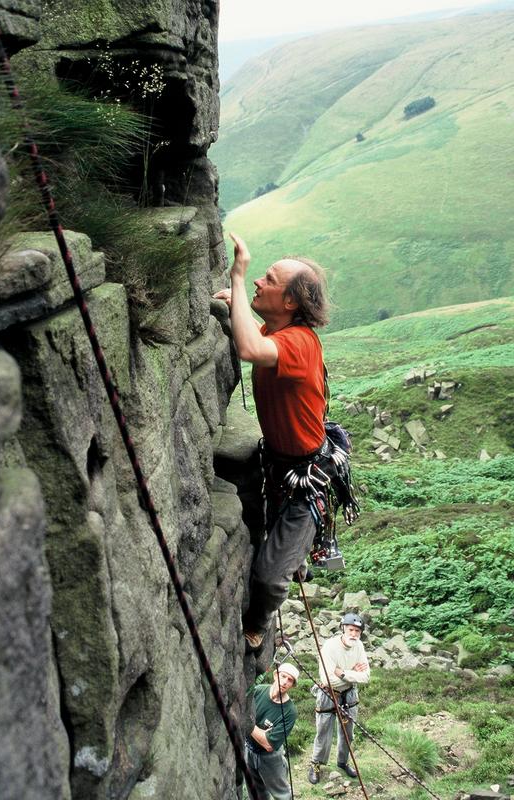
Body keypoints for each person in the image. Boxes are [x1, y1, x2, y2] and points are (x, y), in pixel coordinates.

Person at [214, 233, 337, 650]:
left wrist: (237, 275)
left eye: (268, 279)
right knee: (270, 540)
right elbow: (259, 334)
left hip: (305, 478)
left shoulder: (299, 344)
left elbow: (251, 349)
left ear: (289, 302)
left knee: (268, 578)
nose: (257, 282)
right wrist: (235, 304)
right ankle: (293, 556)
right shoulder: (281, 329)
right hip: (281, 462)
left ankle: (260, 621)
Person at [308, 613, 370, 784]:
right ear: (343, 628)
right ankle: (316, 764)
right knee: (323, 731)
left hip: (349, 694)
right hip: (328, 693)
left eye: (357, 631)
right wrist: (353, 673)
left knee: (348, 732)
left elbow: (366, 676)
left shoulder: (359, 646)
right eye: (351, 630)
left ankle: (343, 762)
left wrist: (342, 673)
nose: (354, 634)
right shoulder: (330, 647)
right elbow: (327, 679)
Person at [245, 663, 299, 800]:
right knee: (256, 794)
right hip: (248, 751)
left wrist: (248, 722)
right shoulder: (258, 691)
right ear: (276, 675)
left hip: (270, 758)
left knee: (282, 795)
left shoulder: (290, 712)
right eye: (283, 676)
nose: (285, 682)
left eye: (290, 680)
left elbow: (269, 744)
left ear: (293, 685)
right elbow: (242, 714)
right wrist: (261, 733)